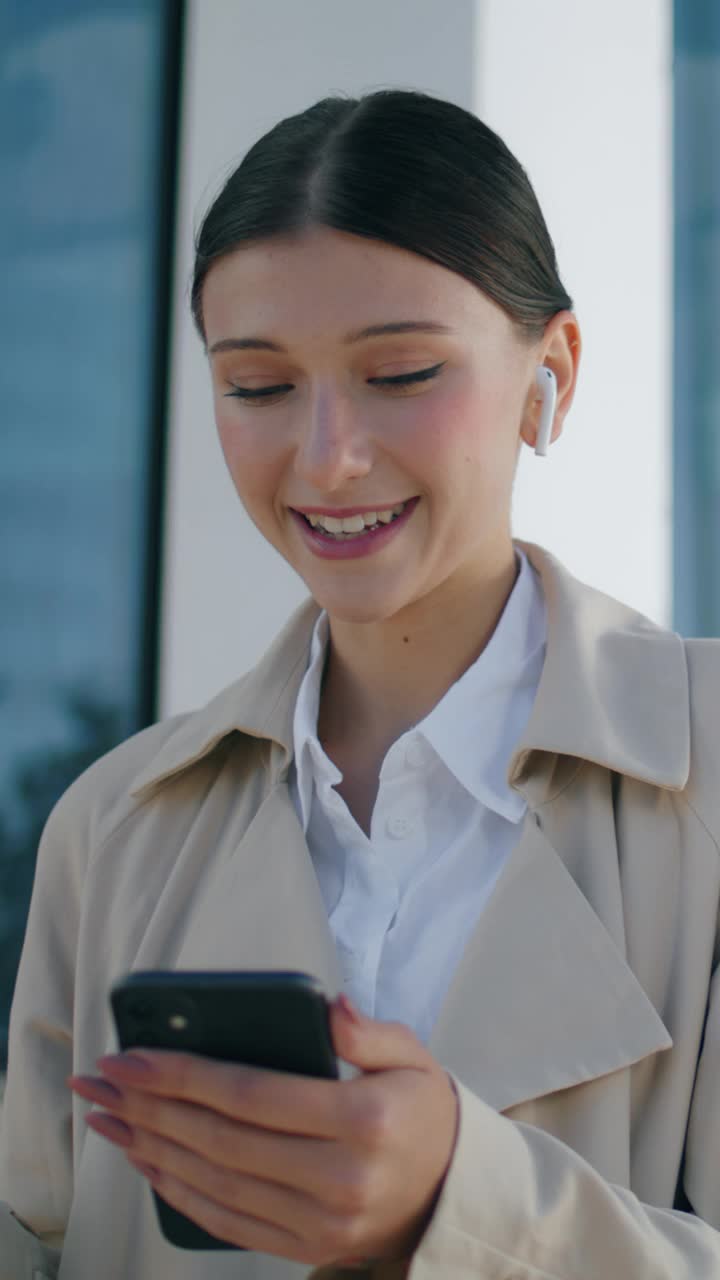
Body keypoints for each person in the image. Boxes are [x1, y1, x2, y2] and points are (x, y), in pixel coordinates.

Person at [1, 86, 720, 1280]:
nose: (328, 455)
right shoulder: (116, 826)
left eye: (400, 373)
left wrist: (458, 1199)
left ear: (555, 371)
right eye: (259, 386)